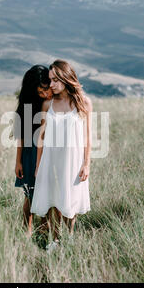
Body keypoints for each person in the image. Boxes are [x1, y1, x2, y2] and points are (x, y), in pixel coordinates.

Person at [31, 59, 92, 252]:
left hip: (72, 159)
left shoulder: (83, 102)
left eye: (56, 80)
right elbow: (40, 138)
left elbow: (88, 137)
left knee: (70, 200)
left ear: (66, 78)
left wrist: (86, 164)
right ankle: (56, 241)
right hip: (51, 159)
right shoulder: (47, 104)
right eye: (50, 80)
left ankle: (70, 240)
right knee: (55, 200)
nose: (52, 84)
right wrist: (38, 166)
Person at [14, 65, 52, 236]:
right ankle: (27, 231)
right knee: (30, 193)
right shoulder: (27, 104)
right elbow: (21, 135)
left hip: (49, 150)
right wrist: (18, 161)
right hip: (30, 151)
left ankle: (45, 228)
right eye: (41, 91)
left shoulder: (54, 100)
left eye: (47, 88)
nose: (46, 93)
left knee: (47, 191)